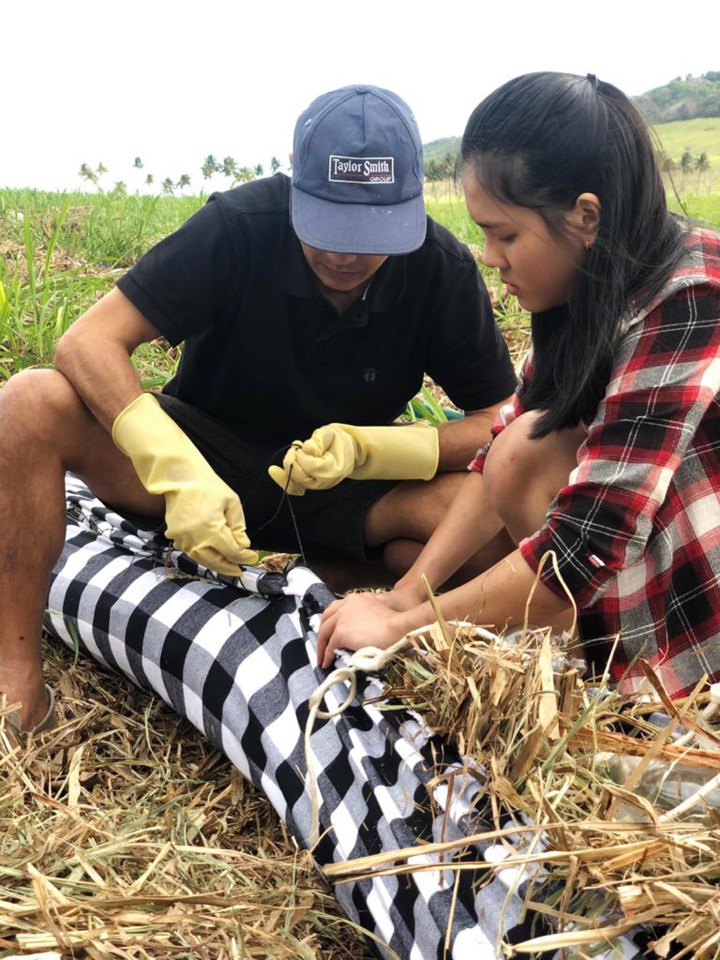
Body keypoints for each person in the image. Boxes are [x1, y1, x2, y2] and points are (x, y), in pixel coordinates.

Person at [0, 84, 516, 732]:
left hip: (340, 482)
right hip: (205, 455)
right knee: (27, 402)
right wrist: (175, 469)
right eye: (327, 226)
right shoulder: (238, 227)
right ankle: (14, 676)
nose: (344, 255)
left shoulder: (439, 269)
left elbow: (505, 423)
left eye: (368, 234)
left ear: (408, 209)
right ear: (295, 188)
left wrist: (375, 448)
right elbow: (87, 342)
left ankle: (335, 578)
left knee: (494, 525)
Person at [316, 72, 720, 701]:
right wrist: (405, 594)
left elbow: (590, 538)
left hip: (702, 602)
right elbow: (499, 449)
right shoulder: (586, 288)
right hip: (634, 568)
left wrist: (405, 629)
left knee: (532, 454)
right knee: (521, 447)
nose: (489, 255)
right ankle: (595, 658)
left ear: (585, 215)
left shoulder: (691, 294)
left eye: (504, 234)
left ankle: (657, 695)